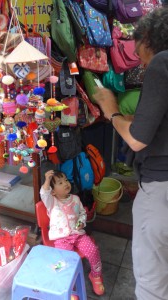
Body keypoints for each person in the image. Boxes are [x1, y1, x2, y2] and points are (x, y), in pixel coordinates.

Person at [93, 7, 168, 300]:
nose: (144, 65)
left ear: (149, 37)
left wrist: (110, 111)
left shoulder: (163, 62)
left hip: (161, 191)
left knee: (152, 284)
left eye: (141, 55)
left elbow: (136, 141)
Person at [40, 170, 104, 296]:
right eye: (60, 182)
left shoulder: (76, 199)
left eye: (66, 180)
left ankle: (96, 276)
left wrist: (81, 221)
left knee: (93, 250)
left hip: (78, 234)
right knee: (64, 262)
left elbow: (82, 213)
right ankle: (69, 286)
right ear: (53, 191)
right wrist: (47, 181)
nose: (65, 183)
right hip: (61, 238)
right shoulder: (51, 202)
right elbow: (44, 193)